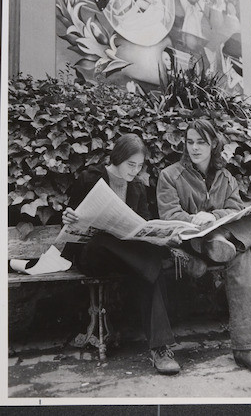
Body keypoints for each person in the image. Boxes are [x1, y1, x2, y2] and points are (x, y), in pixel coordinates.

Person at [156, 118, 251, 381]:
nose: (194, 148)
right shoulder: (169, 175)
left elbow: (235, 210)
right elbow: (168, 214)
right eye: (190, 142)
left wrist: (214, 218)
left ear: (213, 144)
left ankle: (220, 241)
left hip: (223, 241)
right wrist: (196, 220)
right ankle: (249, 348)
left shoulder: (226, 177)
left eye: (201, 142)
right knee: (240, 252)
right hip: (189, 244)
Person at [61, 134, 182, 375]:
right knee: (138, 256)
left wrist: (159, 236)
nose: (135, 171)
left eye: (139, 166)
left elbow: (143, 224)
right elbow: (70, 220)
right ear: (118, 158)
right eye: (131, 165)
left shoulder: (137, 186)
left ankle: (159, 347)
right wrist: (67, 216)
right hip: (94, 255)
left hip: (128, 258)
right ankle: (160, 347)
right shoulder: (90, 178)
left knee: (146, 258)